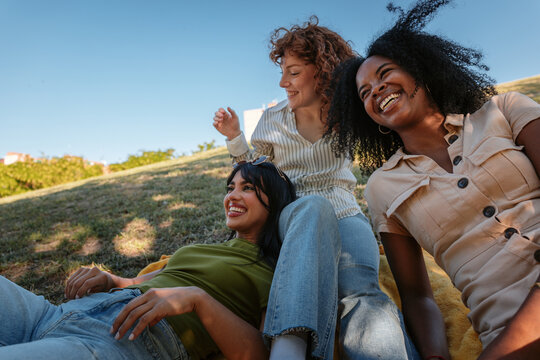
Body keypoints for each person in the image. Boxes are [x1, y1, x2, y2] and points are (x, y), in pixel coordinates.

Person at [326, 0, 540, 359]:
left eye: (385, 74)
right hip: (503, 327)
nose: (375, 90)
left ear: (420, 73)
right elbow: (417, 296)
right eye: (365, 93)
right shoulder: (382, 188)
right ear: (373, 119)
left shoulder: (503, 111)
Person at [214, 16, 418, 360]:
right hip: (293, 218)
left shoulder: (351, 114)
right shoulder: (272, 121)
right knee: (312, 209)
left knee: (363, 294)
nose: (283, 83)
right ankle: (289, 350)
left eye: (293, 73)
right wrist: (235, 138)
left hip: (344, 211)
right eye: (283, 72)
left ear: (323, 72)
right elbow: (256, 175)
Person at [0, 159, 297, 360]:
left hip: (122, 342)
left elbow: (259, 353)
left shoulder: (275, 273)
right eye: (230, 187)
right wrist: (108, 279)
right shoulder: (206, 249)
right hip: (59, 314)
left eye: (247, 188)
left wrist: (198, 299)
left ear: (275, 201)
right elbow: (137, 283)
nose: (232, 196)